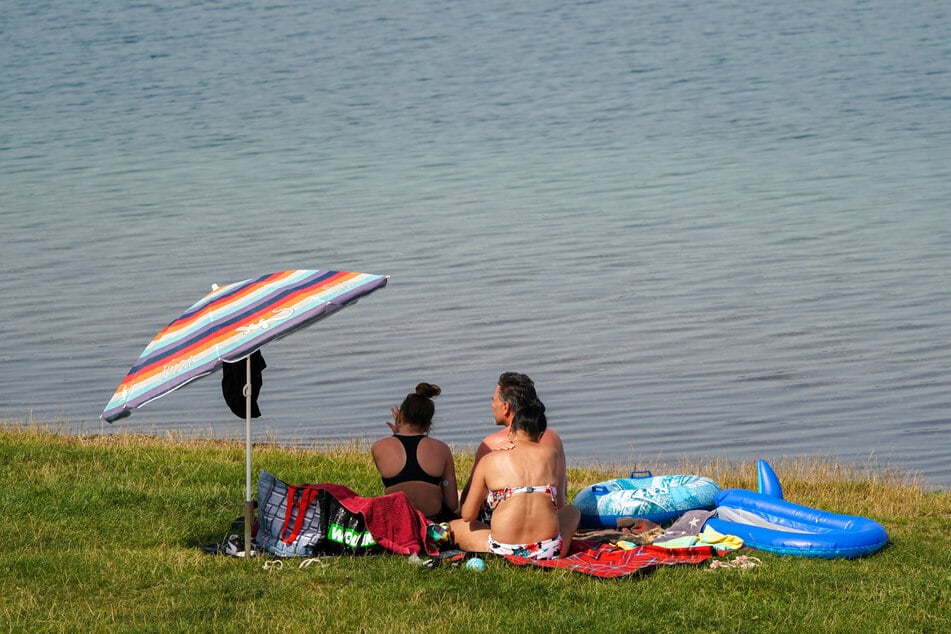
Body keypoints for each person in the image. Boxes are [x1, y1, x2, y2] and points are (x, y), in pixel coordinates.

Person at [460, 399, 579, 560]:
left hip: (504, 549)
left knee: (458, 526)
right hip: (549, 550)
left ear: (511, 431)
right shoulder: (551, 455)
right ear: (541, 434)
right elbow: (556, 503)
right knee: (572, 511)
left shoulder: (490, 460)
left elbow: (468, 515)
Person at [459, 372, 568, 514]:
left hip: (507, 525)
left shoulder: (492, 443)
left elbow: (467, 502)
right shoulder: (554, 438)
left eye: (493, 400)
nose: (492, 406)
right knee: (572, 512)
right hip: (551, 518)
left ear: (505, 407)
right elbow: (561, 493)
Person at [370, 383, 459, 523]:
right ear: (428, 424)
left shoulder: (379, 447)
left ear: (400, 416)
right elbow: (452, 504)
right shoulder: (442, 449)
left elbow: (407, 471)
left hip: (398, 523)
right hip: (433, 522)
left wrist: (398, 434)